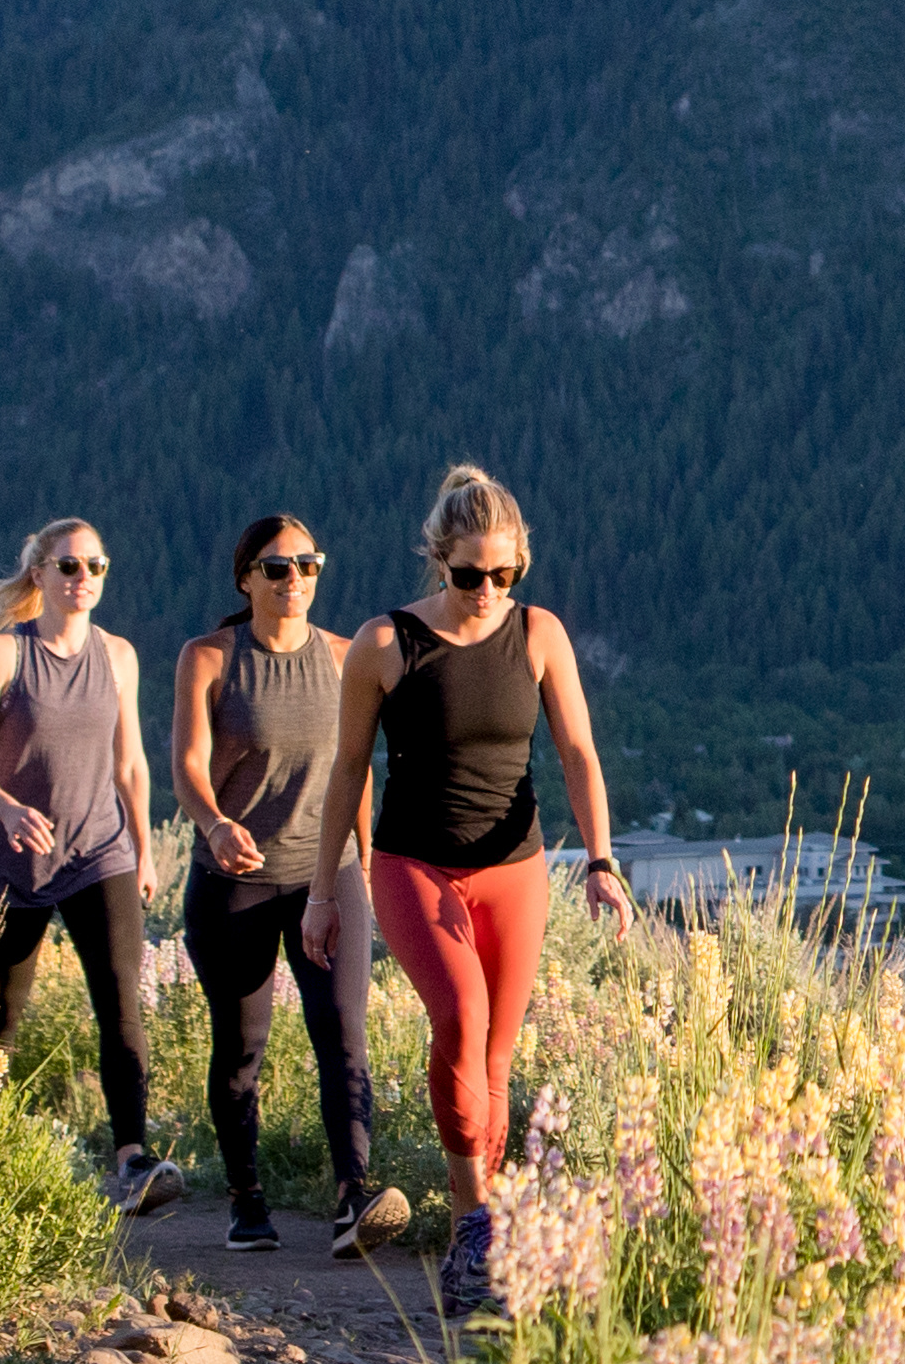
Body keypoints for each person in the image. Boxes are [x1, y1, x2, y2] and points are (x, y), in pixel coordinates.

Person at [337, 462, 629, 1313]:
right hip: (413, 863)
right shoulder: (385, 644)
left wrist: (600, 862)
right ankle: (475, 1227)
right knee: (460, 1018)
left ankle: (485, 1240)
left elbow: (578, 753)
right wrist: (328, 886)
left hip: (516, 869)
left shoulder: (539, 635)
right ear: (439, 559)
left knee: (494, 1058)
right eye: (472, 575)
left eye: (507, 575)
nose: (489, 589)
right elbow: (349, 768)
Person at [174, 509, 406, 1259]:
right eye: (278, 568)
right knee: (242, 1046)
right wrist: (213, 824)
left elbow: (355, 770)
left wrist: (363, 864)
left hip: (326, 874)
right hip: (234, 879)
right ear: (246, 579)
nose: (295, 579)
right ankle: (246, 1198)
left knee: (343, 1033)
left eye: (308, 565)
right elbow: (185, 764)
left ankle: (353, 1196)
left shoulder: (344, 656)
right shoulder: (209, 658)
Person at [0, 514, 172, 1214]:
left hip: (97, 850)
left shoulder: (120, 656)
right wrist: (8, 810)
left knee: (119, 1001)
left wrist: (141, 845)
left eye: (96, 567)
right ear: (39, 574)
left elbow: (130, 762)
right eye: (69, 567)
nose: (83, 580)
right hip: (12, 861)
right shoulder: (3, 655)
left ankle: (132, 1160)